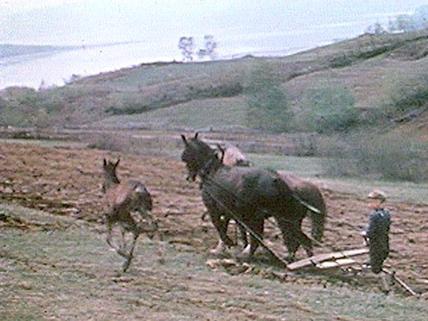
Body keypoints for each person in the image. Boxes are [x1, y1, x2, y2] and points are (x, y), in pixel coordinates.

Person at [361, 189, 391, 274]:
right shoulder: (386, 213)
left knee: (375, 261)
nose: (370, 204)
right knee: (379, 260)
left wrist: (365, 233)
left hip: (376, 243)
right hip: (384, 242)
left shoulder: (374, 215)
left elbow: (371, 231)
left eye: (372, 202)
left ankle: (377, 276)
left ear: (379, 201)